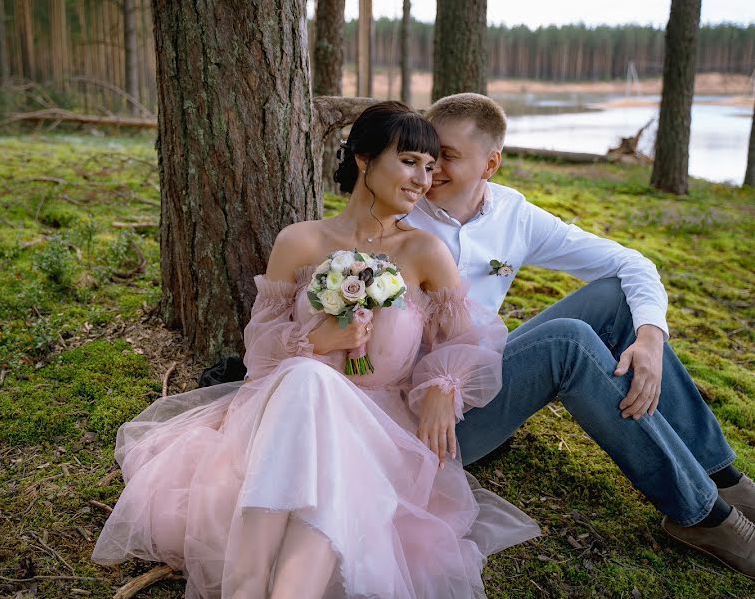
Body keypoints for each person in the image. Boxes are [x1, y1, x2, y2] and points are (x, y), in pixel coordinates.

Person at [92, 101, 540, 598]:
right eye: (410, 161)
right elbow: (260, 355)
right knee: (308, 378)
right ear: (364, 160)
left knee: (315, 396)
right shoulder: (301, 242)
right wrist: (315, 341)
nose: (423, 179)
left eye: (431, 166)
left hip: (379, 427)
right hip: (285, 418)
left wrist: (443, 385)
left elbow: (469, 343)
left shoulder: (424, 253)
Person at [401, 92, 755, 578]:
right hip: (425, 421)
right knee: (567, 342)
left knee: (614, 298)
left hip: (477, 378)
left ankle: (724, 476)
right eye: (425, 152)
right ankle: (703, 515)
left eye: (448, 156)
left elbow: (631, 263)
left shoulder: (513, 214)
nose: (430, 170)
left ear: (492, 164)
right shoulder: (398, 217)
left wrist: (651, 335)